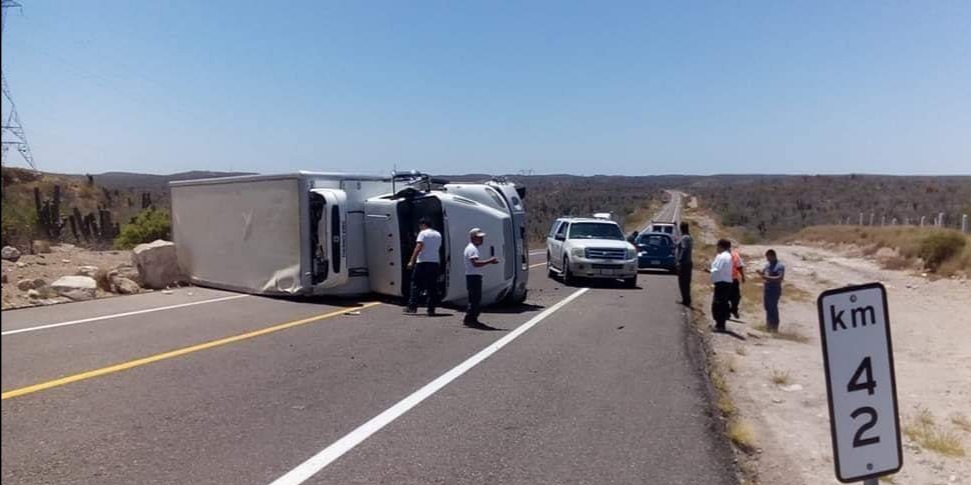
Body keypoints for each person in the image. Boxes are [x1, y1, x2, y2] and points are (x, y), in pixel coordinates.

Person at [405, 217, 442, 316]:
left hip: (422, 262)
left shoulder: (423, 233)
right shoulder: (438, 234)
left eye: (420, 226)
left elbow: (418, 247)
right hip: (434, 262)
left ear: (423, 225)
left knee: (416, 284)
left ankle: (412, 306)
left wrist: (411, 261)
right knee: (432, 286)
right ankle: (431, 309)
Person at [463, 228, 499, 326]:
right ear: (473, 238)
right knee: (475, 298)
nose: (482, 239)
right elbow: (475, 263)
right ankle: (470, 319)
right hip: (473, 276)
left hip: (474, 276)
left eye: (482, 237)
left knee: (475, 298)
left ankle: (471, 318)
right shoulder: (472, 249)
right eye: (479, 237)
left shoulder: (474, 248)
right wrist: (489, 261)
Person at [704, 239, 734, 332]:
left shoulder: (722, 256)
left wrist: (710, 271)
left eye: (717, 246)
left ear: (721, 246)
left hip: (722, 282)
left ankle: (720, 325)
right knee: (722, 303)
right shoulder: (727, 256)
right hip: (725, 282)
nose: (716, 248)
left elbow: (718, 269)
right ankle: (720, 324)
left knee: (718, 304)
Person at [756, 249, 785, 332]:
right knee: (767, 307)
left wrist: (766, 277)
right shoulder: (768, 265)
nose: (767, 259)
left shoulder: (779, 266)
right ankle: (768, 325)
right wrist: (760, 273)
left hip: (774, 290)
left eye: (768, 257)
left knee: (773, 307)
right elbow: (764, 274)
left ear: (772, 256)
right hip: (767, 289)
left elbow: (780, 278)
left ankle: (775, 326)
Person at [675, 222, 693, 306]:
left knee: (683, 283)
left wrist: (679, 260)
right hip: (688, 263)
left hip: (684, 264)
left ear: (681, 228)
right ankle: (686, 299)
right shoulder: (688, 237)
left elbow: (683, 249)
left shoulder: (684, 238)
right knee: (686, 283)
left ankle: (686, 300)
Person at [729, 246, 746, 319]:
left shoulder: (735, 255)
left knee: (736, 297)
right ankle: (726, 313)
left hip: (734, 279)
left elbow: (739, 266)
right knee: (725, 297)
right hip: (724, 279)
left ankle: (734, 309)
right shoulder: (721, 255)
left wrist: (742, 276)